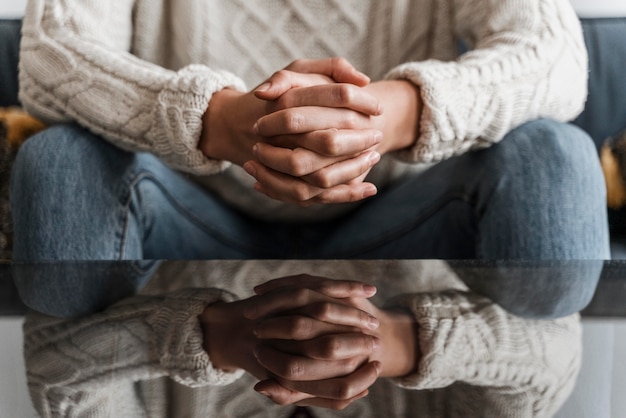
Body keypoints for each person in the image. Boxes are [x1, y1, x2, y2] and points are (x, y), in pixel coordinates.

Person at [10, 0, 610, 260]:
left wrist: (388, 115)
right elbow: (51, 55)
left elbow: (554, 56)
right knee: (59, 160)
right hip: (184, 217)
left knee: (553, 154)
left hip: (403, 216)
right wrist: (217, 122)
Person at [19, 259, 587, 414]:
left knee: (59, 265)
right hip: (406, 190)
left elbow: (52, 356)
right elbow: (555, 343)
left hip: (182, 200)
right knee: (547, 156)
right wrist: (393, 342)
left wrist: (214, 336)